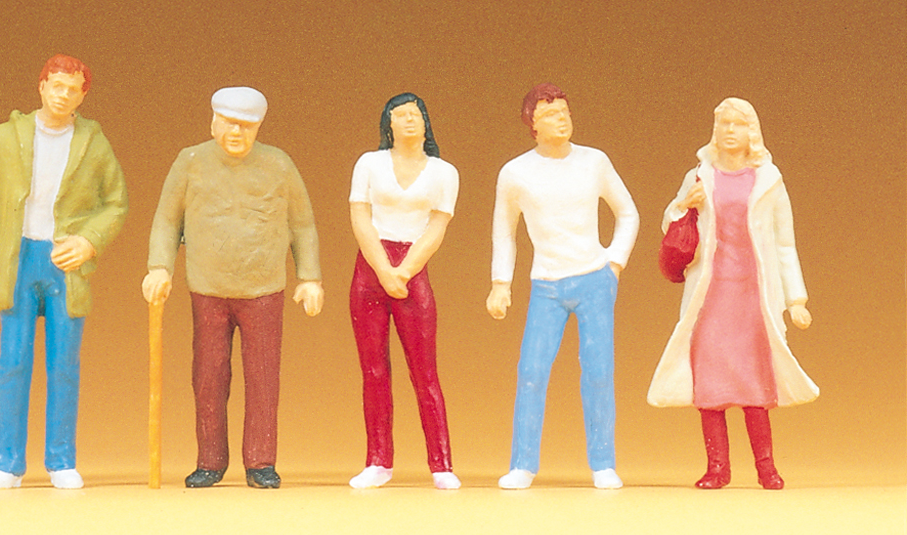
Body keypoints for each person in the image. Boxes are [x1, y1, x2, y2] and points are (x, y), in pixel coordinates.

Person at [143, 86, 323, 489]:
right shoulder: (190, 161)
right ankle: (210, 460)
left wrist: (309, 277)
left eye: (246, 125)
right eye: (228, 123)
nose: (236, 132)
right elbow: (167, 220)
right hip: (208, 289)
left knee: (263, 378)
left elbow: (303, 224)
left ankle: (261, 461)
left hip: (264, 290)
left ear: (259, 127)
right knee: (208, 378)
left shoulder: (279, 165)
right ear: (213, 122)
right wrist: (159, 267)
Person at [0, 54, 128, 490]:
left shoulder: (93, 142)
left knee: (64, 364)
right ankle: (6, 462)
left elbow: (116, 203)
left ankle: (61, 460)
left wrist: (88, 241)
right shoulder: (5, 137)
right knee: (13, 361)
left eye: (72, 89)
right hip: (16, 259)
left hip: (63, 262)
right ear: (41, 86)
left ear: (83, 96)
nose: (62, 95)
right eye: (56, 86)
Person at [647, 97, 816, 490]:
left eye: (737, 124)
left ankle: (766, 468)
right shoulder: (699, 175)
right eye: (723, 123)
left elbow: (785, 243)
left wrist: (796, 300)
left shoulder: (769, 180)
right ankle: (717, 468)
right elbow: (671, 221)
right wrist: (682, 205)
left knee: (755, 382)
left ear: (751, 131)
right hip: (711, 296)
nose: (729, 131)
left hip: (752, 296)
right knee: (711, 383)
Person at [487, 83, 639, 489]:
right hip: (546, 286)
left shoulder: (594, 162)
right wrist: (501, 283)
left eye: (565, 112)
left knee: (598, 372)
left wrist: (615, 264)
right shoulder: (515, 173)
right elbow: (504, 232)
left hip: (594, 280)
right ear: (532, 123)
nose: (562, 120)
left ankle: (603, 463)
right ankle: (522, 463)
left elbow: (628, 213)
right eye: (551, 114)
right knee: (531, 371)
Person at [347, 93, 460, 490]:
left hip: (413, 269)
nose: (409, 120)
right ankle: (378, 461)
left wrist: (406, 271)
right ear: (388, 123)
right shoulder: (369, 163)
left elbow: (436, 227)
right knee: (374, 371)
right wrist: (383, 269)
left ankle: (441, 464)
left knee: (425, 372)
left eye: (416, 114)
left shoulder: (444, 172)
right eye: (401, 114)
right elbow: (360, 217)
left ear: (426, 122)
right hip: (370, 270)